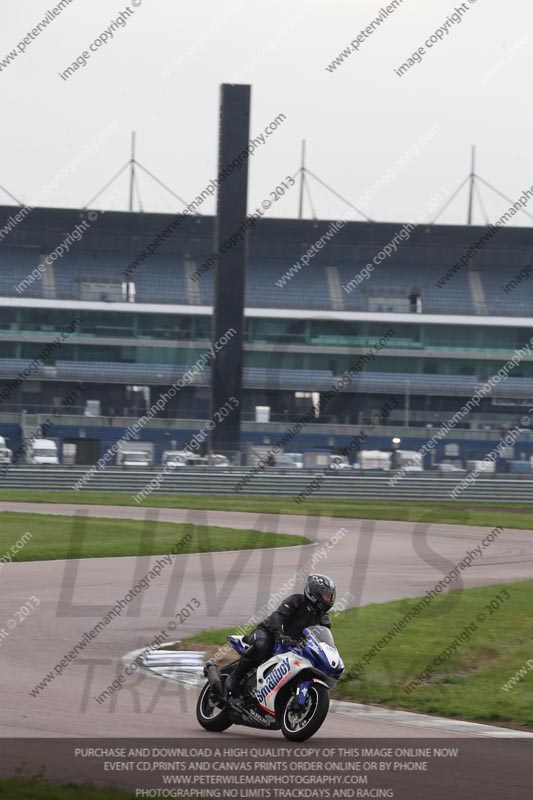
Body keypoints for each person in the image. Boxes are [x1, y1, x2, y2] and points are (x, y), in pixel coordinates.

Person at [225, 574, 336, 698]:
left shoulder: (323, 618)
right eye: (326, 595)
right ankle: (235, 677)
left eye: (330, 596)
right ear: (315, 592)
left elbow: (322, 638)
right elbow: (277, 617)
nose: (328, 599)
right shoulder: (296, 601)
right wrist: (280, 635)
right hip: (269, 633)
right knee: (262, 646)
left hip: (293, 647)